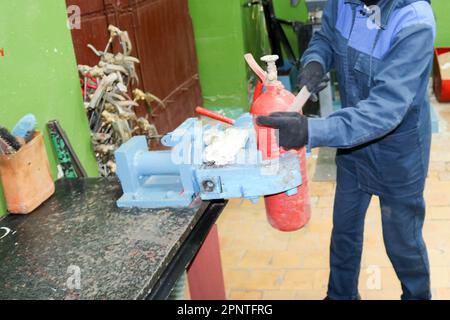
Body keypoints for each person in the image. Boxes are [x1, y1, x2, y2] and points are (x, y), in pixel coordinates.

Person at [257, 0, 436, 300]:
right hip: (353, 146)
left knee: (402, 242)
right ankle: (340, 296)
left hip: (398, 154)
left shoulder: (414, 21)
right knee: (344, 230)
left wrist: (310, 131)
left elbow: (384, 110)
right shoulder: (343, 2)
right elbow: (326, 37)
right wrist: (315, 60)